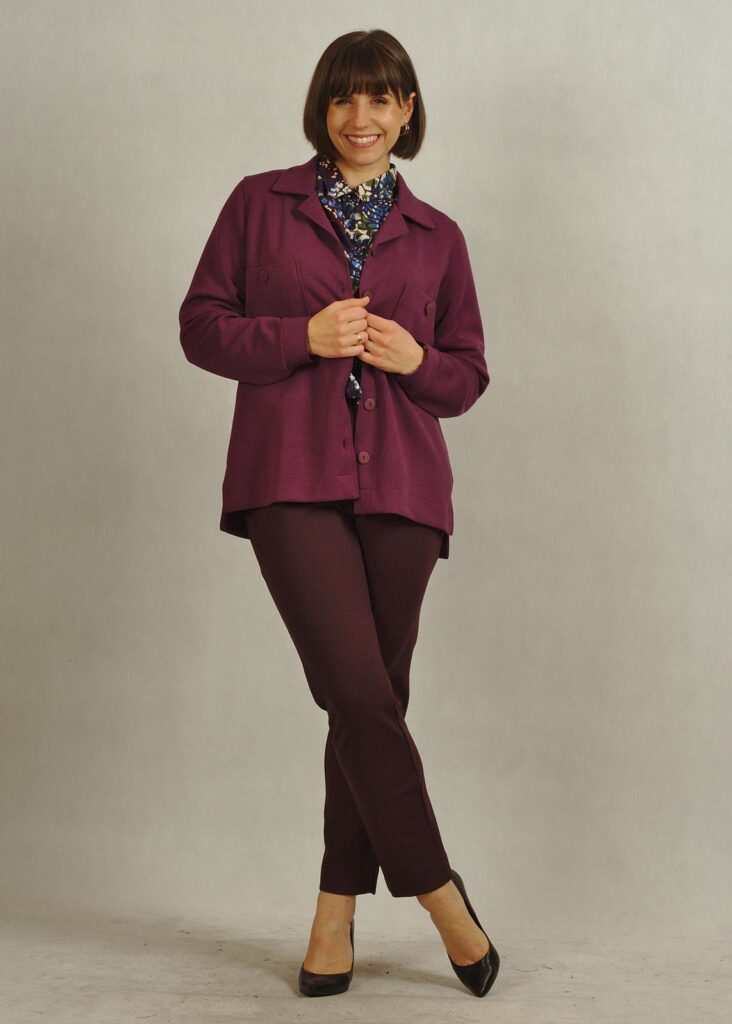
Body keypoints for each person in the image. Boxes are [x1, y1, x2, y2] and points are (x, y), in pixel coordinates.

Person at [178, 28, 500, 998]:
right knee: (358, 694)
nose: (363, 117)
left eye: (382, 99)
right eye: (345, 98)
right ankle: (441, 893)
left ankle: (333, 912)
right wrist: (300, 336)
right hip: (289, 479)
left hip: (405, 491)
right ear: (323, 107)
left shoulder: (439, 236)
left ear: (407, 111)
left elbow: (467, 376)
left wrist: (417, 361)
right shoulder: (258, 204)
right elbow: (201, 326)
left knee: (371, 708)